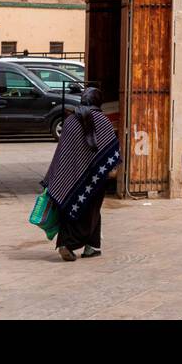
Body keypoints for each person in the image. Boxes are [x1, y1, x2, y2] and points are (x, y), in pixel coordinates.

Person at [41, 87, 122, 261]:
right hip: (95, 178)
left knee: (72, 208)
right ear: (98, 102)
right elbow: (111, 150)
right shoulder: (103, 120)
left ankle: (92, 246)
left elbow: (62, 153)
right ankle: (67, 244)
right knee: (91, 210)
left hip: (68, 177)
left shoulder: (70, 121)